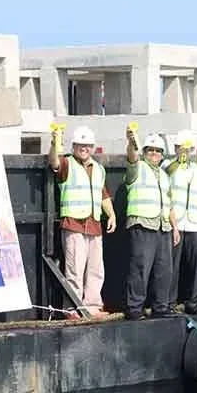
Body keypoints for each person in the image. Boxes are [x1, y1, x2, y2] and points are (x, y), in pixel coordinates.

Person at [48, 125, 117, 318]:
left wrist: (111, 214)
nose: (84, 148)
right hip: (74, 224)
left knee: (96, 269)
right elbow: (53, 161)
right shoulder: (67, 164)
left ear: (93, 147)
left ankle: (93, 306)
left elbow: (103, 194)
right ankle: (73, 308)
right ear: (73, 146)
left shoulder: (99, 169)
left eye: (87, 145)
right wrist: (54, 142)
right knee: (75, 270)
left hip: (94, 224)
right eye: (80, 145)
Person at [124, 130, 175, 320]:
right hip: (143, 224)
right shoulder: (137, 167)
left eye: (158, 150)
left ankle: (160, 307)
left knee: (164, 270)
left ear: (162, 155)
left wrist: (174, 227)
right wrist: (132, 142)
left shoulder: (164, 175)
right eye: (150, 150)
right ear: (144, 152)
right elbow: (132, 157)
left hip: (163, 226)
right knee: (140, 268)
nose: (154, 153)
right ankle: (134, 308)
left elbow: (169, 202)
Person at [165, 131, 197, 315]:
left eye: (187, 149)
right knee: (172, 265)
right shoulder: (169, 166)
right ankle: (170, 302)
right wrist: (174, 225)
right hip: (176, 222)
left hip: (194, 223)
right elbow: (167, 193)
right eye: (181, 148)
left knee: (195, 266)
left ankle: (193, 302)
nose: (185, 152)